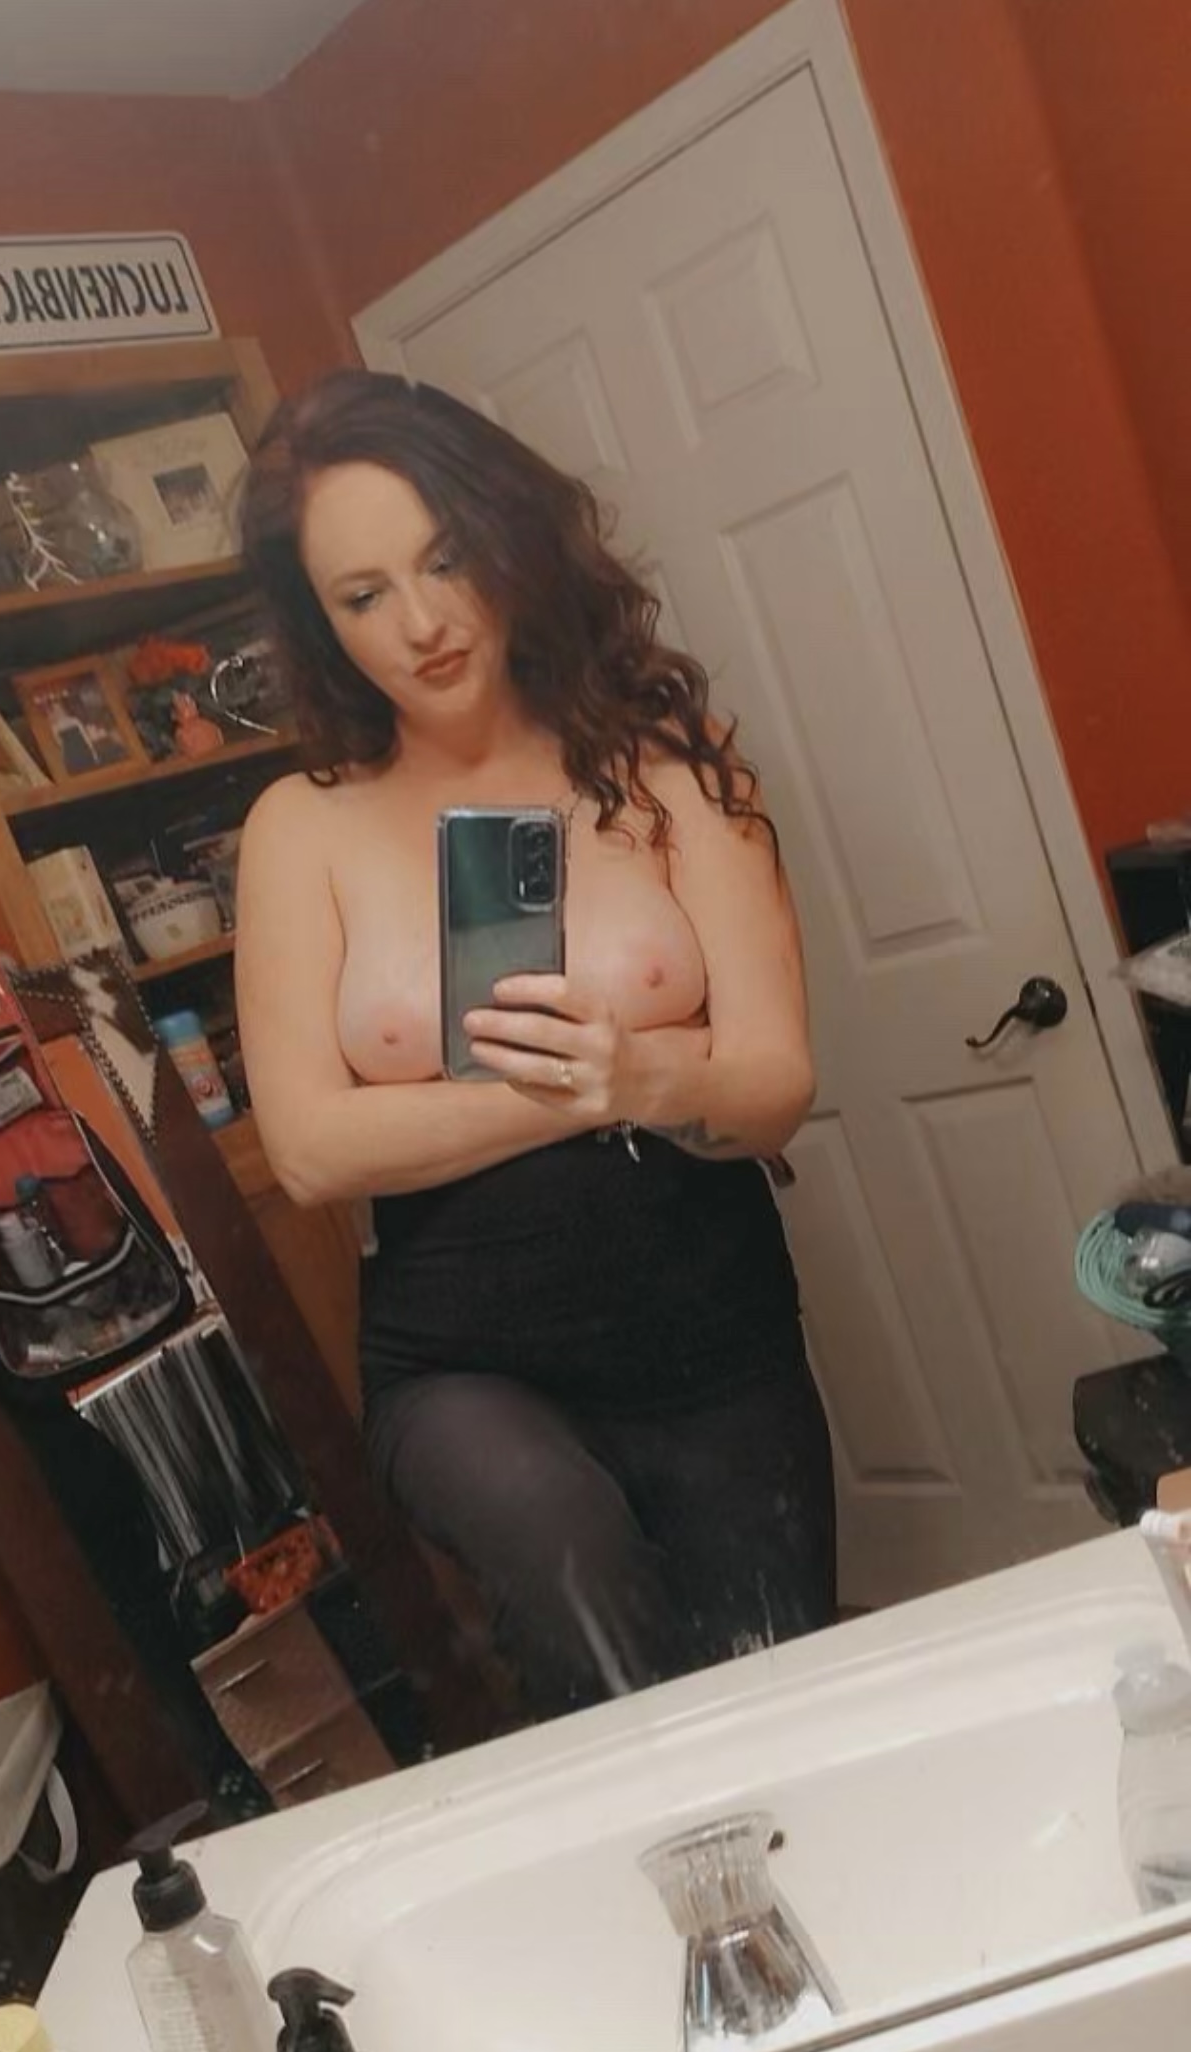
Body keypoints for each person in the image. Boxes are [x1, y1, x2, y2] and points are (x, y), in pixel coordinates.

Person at [236, 368, 836, 1721]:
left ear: (506, 534)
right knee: (575, 1583)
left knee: (777, 1694)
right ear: (320, 623)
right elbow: (312, 1150)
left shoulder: (670, 763)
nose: (422, 623)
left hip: (714, 1333)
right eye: (363, 595)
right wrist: (593, 1092)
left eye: (445, 559)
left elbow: (772, 1087)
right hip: (462, 1359)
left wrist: (654, 1074)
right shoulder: (301, 827)